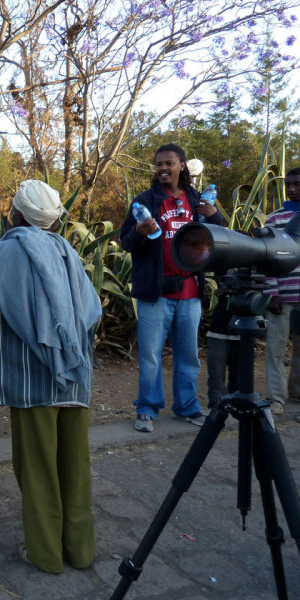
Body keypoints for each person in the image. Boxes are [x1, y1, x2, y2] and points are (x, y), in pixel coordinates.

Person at [0, 180, 101, 573]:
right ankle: (80, 550)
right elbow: (91, 310)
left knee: (37, 467)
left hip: (34, 379)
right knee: (74, 466)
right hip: (76, 377)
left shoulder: (11, 246)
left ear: (17, 214)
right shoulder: (68, 250)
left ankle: (45, 554)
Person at [120, 143, 222, 433]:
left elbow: (219, 232)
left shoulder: (195, 199)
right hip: (156, 293)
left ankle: (187, 407)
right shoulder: (145, 201)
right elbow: (126, 242)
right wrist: (140, 233)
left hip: (190, 292)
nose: (163, 168)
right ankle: (147, 409)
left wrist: (213, 214)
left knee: (188, 355)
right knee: (151, 355)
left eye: (169, 163)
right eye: (159, 164)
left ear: (182, 166)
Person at [263, 167, 300, 415]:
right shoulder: (275, 219)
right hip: (282, 295)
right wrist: (271, 291)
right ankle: (277, 397)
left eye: (297, 184)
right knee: (275, 348)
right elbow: (267, 257)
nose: (292, 189)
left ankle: (296, 391)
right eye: (289, 184)